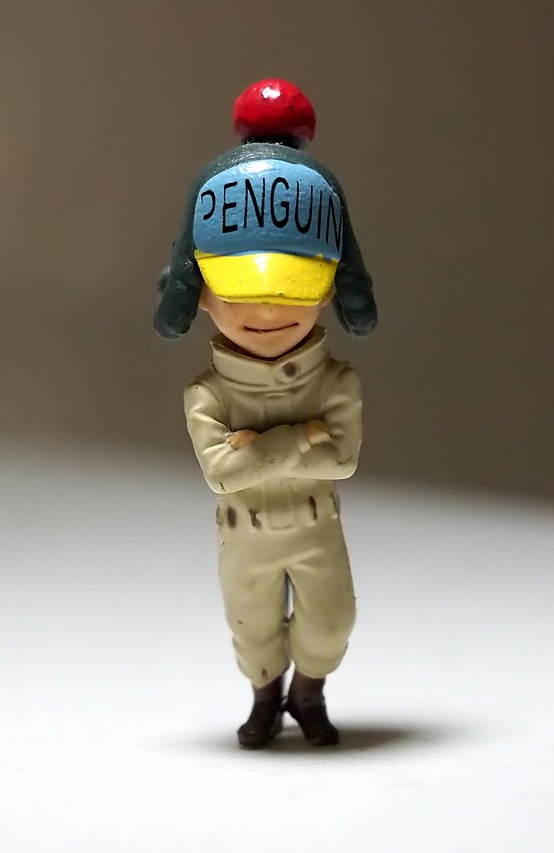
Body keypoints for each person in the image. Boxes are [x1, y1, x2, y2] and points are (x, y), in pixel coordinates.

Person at [154, 79, 377, 748]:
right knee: (250, 627)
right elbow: (223, 473)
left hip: (313, 525)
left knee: (330, 623)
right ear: (202, 296)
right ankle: (264, 697)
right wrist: (302, 437)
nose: (268, 311)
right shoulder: (207, 395)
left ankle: (308, 694)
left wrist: (257, 446)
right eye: (243, 293)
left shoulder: (335, 381)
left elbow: (341, 457)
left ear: (327, 291)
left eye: (294, 291)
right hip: (245, 531)